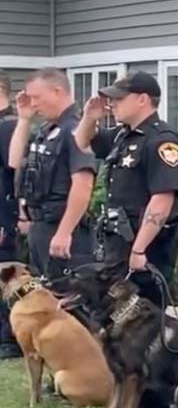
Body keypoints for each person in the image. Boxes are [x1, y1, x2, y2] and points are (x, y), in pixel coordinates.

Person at [73, 71, 178, 308]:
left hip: (144, 245)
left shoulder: (162, 141)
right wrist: (89, 117)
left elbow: (162, 200)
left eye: (120, 98)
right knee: (113, 317)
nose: (112, 103)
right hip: (117, 241)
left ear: (142, 99)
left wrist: (139, 250)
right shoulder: (123, 135)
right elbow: (82, 142)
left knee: (143, 319)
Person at [6, 68, 96, 280]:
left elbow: (83, 184)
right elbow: (14, 162)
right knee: (43, 296)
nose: (33, 103)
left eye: (36, 97)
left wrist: (64, 232)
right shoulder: (48, 130)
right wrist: (24, 120)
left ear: (56, 92)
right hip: (41, 227)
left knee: (65, 300)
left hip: (64, 229)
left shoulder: (75, 129)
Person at [0, 75, 21, 358]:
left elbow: (12, 179)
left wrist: (6, 220)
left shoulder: (9, 127)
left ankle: (8, 338)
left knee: (5, 275)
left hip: (3, 213)